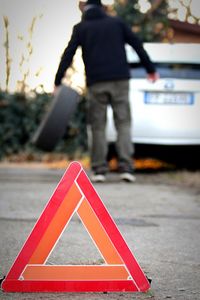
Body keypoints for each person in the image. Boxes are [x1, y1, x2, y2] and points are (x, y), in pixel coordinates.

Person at [54, 0, 159, 182]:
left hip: (97, 83)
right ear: (102, 7)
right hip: (120, 80)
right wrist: (150, 69)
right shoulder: (117, 23)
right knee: (123, 123)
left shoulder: (81, 28)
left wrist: (58, 80)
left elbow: (68, 53)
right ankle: (126, 167)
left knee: (98, 126)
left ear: (85, 8)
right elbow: (136, 44)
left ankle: (99, 170)